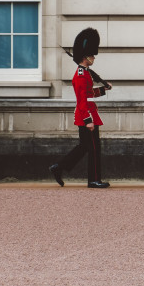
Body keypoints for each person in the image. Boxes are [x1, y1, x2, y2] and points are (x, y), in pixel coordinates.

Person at [50, 27, 111, 189]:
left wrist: (104, 89)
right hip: (87, 115)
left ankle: (59, 167)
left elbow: (90, 94)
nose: (94, 58)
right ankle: (94, 180)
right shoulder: (81, 76)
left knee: (84, 147)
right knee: (94, 149)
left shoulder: (85, 74)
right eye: (92, 55)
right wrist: (88, 120)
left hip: (88, 113)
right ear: (85, 57)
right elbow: (82, 100)